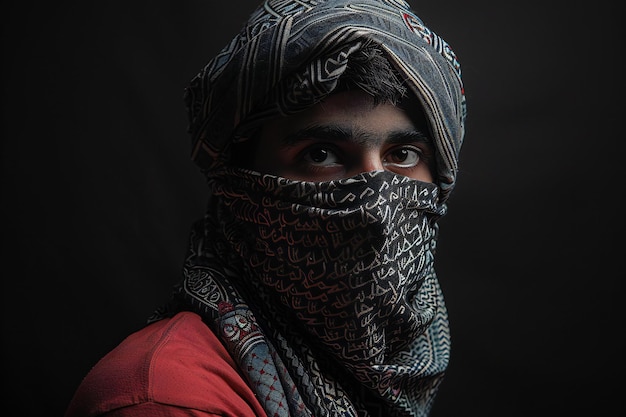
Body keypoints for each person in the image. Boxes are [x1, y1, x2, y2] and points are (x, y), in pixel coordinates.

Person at [65, 0, 466, 416]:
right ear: (240, 181)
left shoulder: (392, 370)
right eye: (323, 154)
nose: (375, 205)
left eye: (402, 155)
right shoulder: (170, 399)